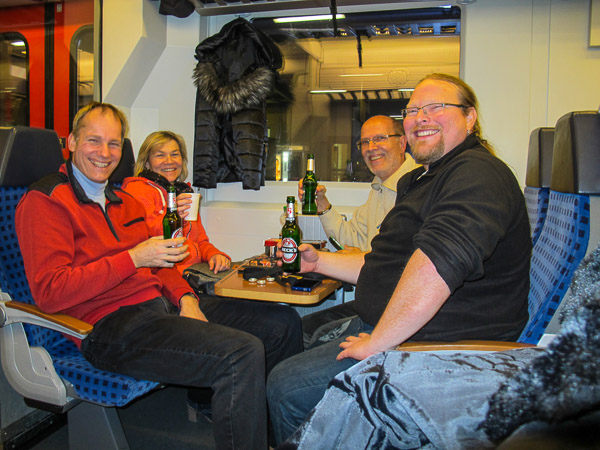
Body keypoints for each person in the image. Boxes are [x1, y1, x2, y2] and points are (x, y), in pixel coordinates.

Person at [15, 102, 302, 450]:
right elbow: (51, 292)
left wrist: (187, 300)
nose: (104, 153)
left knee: (282, 323)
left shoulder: (125, 201)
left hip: (160, 307)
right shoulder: (46, 200)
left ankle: (278, 440)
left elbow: (159, 265)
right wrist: (133, 258)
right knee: (240, 354)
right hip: (108, 326)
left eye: (114, 143)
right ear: (72, 142)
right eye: (94, 141)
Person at [267, 73, 532, 445]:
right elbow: (383, 263)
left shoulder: (477, 173)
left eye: (435, 107)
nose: (420, 118)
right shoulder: (424, 180)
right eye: (412, 111)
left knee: (286, 387)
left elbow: (439, 264)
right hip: (404, 330)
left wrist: (378, 342)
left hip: (443, 348)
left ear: (469, 117)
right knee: (291, 348)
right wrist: (317, 263)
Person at [298, 115, 419, 251]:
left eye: (380, 138)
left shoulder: (420, 187)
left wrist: (358, 258)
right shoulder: (378, 188)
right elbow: (352, 238)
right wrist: (320, 201)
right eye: (365, 142)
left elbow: (397, 255)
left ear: (402, 144)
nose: (371, 147)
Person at [122, 131, 230, 275]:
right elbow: (147, 237)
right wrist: (174, 215)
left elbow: (200, 242)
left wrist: (214, 255)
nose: (169, 161)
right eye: (160, 155)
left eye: (175, 154)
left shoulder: (183, 192)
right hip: (161, 275)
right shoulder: (137, 189)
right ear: (147, 162)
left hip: (191, 271)